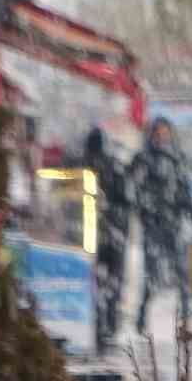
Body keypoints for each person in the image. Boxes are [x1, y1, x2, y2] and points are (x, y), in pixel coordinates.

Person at [129, 116, 192, 334]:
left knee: (183, 272)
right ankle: (141, 317)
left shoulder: (178, 158)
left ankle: (187, 318)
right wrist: (145, 210)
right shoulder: (144, 159)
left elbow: (185, 189)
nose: (161, 136)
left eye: (164, 132)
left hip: (174, 223)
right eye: (157, 132)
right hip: (154, 223)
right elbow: (134, 189)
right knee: (151, 274)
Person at [83, 128, 132, 354]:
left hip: (91, 237)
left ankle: (100, 325)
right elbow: (127, 203)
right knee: (111, 284)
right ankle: (108, 327)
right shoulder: (115, 167)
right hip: (111, 236)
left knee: (96, 284)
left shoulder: (80, 165)